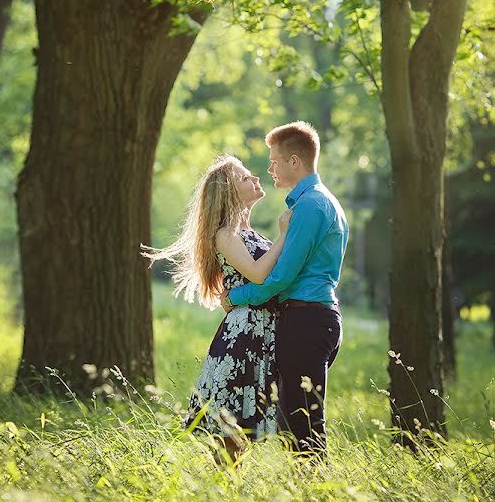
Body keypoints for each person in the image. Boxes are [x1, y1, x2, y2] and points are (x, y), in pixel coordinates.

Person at [141, 155, 291, 464]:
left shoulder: (249, 233)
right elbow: (258, 274)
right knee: (231, 431)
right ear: (229, 191)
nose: (256, 179)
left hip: (262, 332)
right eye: (245, 177)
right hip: (245, 335)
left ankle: (226, 489)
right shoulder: (225, 234)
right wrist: (285, 236)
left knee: (244, 429)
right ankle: (222, 490)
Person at [221, 121, 348, 459]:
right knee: (293, 420)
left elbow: (281, 279)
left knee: (304, 427)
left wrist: (235, 297)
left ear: (295, 161)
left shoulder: (308, 208)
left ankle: (313, 491)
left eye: (274, 161)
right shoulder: (324, 202)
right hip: (317, 318)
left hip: (307, 320)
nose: (269, 168)